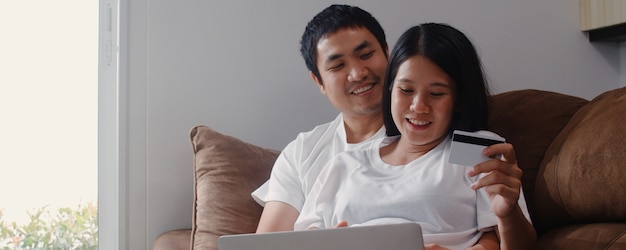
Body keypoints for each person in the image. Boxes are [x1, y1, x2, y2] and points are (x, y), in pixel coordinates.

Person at [294, 23, 537, 249]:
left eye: (436, 93)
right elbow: (303, 239)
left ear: (460, 99)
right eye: (406, 90)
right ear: (390, 89)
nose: (418, 107)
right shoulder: (344, 163)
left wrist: (508, 213)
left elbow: (503, 243)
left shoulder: (477, 150)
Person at [253, 4, 389, 233]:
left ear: (388, 53)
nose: (358, 73)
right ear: (319, 81)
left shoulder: (434, 131)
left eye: (365, 55)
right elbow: (268, 243)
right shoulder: (301, 153)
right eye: (338, 66)